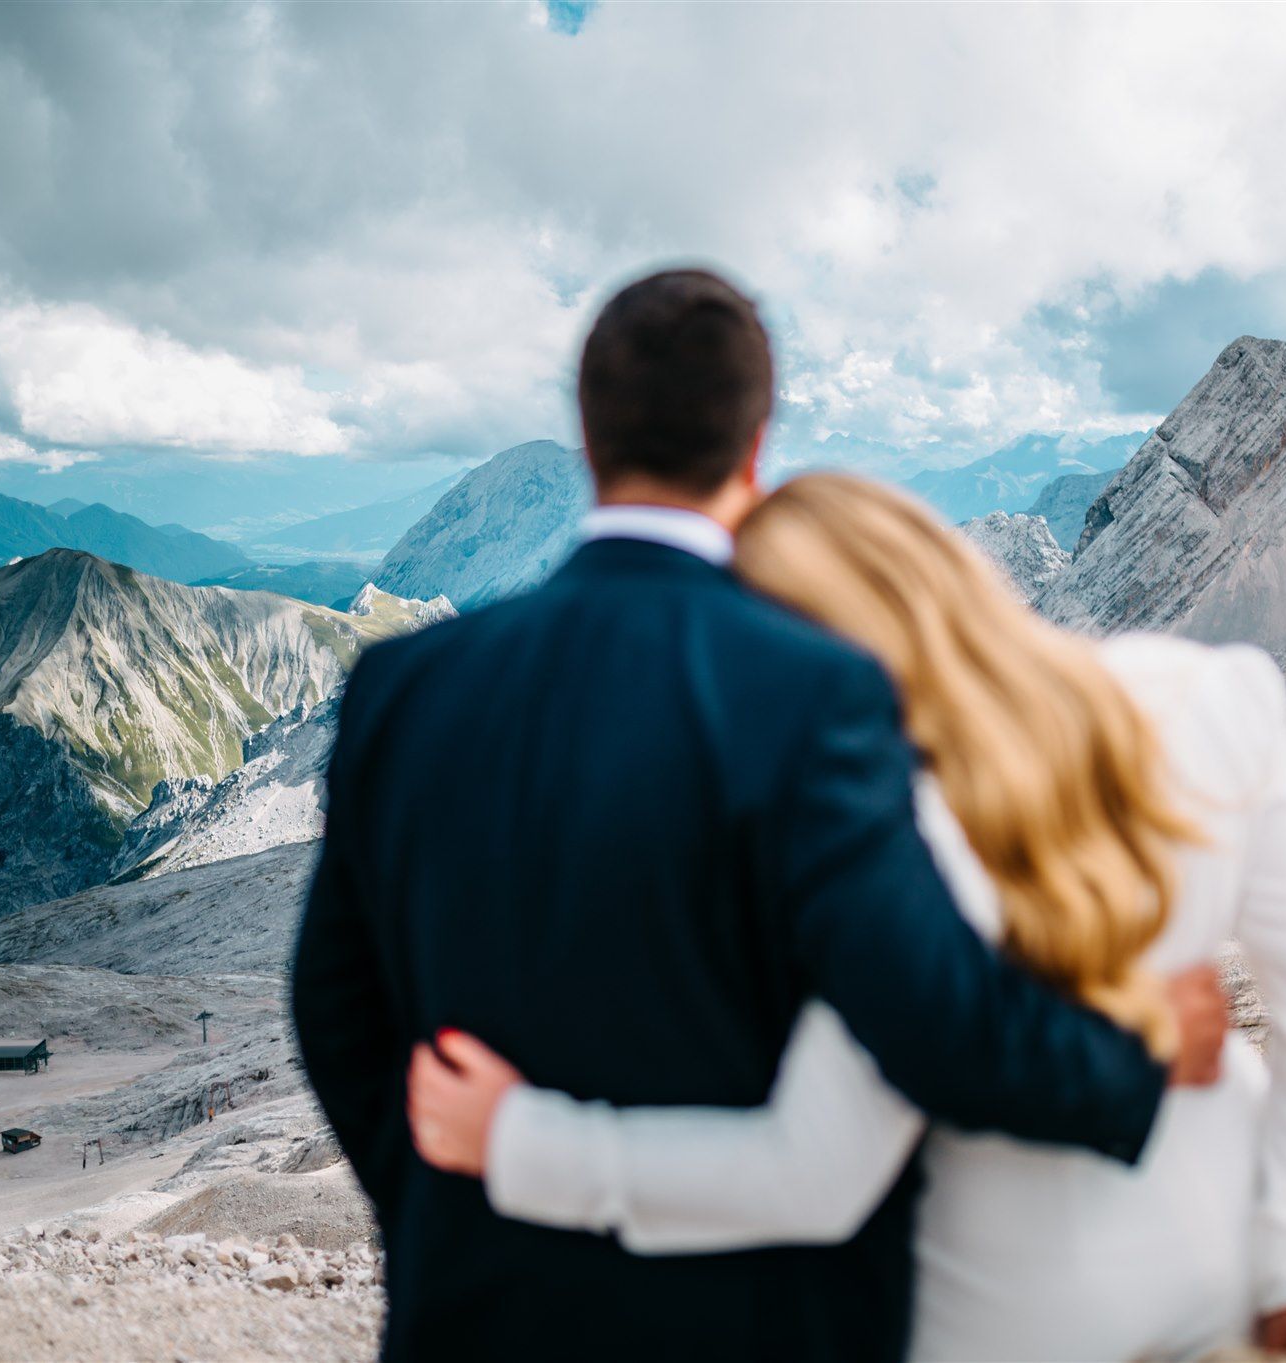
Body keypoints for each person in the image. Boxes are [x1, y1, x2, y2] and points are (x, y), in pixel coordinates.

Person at [291, 268, 1230, 1363]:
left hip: (474, 1311)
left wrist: (446, 1206)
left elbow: (334, 1007)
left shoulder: (405, 686)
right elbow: (929, 1016)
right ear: (755, 441)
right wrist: (1134, 1052)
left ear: (587, 437)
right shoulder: (815, 694)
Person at [409, 473, 1286, 1362]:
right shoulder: (1213, 695)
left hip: (995, 1320)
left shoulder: (884, 840)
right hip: (1225, 1267)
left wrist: (520, 1141)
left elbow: (812, 1171)